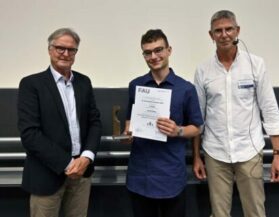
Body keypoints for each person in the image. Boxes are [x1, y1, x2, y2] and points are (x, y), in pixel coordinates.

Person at [193, 10, 279, 217]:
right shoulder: (203, 70)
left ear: (237, 31)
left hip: (249, 152)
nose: (224, 34)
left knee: (255, 212)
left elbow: (270, 110)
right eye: (218, 31)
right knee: (219, 214)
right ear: (211, 35)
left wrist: (278, 155)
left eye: (229, 29)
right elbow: (198, 118)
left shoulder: (256, 64)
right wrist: (196, 157)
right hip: (215, 152)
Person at [17, 28, 102, 217]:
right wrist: (68, 163)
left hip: (81, 174)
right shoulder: (31, 85)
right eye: (60, 48)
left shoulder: (84, 82)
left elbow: (94, 122)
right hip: (46, 176)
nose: (65, 53)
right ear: (49, 50)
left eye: (71, 50)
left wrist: (86, 158)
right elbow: (30, 134)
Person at [123, 29, 203, 217]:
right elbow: (130, 120)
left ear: (169, 50)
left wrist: (178, 131)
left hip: (171, 175)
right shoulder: (136, 85)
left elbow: (197, 127)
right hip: (140, 174)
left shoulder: (186, 89)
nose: (154, 56)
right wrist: (128, 133)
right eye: (148, 52)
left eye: (158, 50)